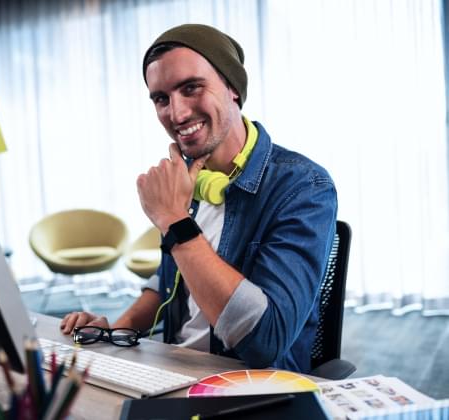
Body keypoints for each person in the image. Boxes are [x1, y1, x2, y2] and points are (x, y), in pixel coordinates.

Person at [60, 23, 337, 373]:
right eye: (161, 99)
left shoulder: (303, 186)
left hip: (250, 386)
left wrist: (175, 221)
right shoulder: (188, 179)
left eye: (191, 88)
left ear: (232, 88)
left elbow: (266, 341)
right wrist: (115, 331)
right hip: (174, 372)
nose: (176, 114)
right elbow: (166, 283)